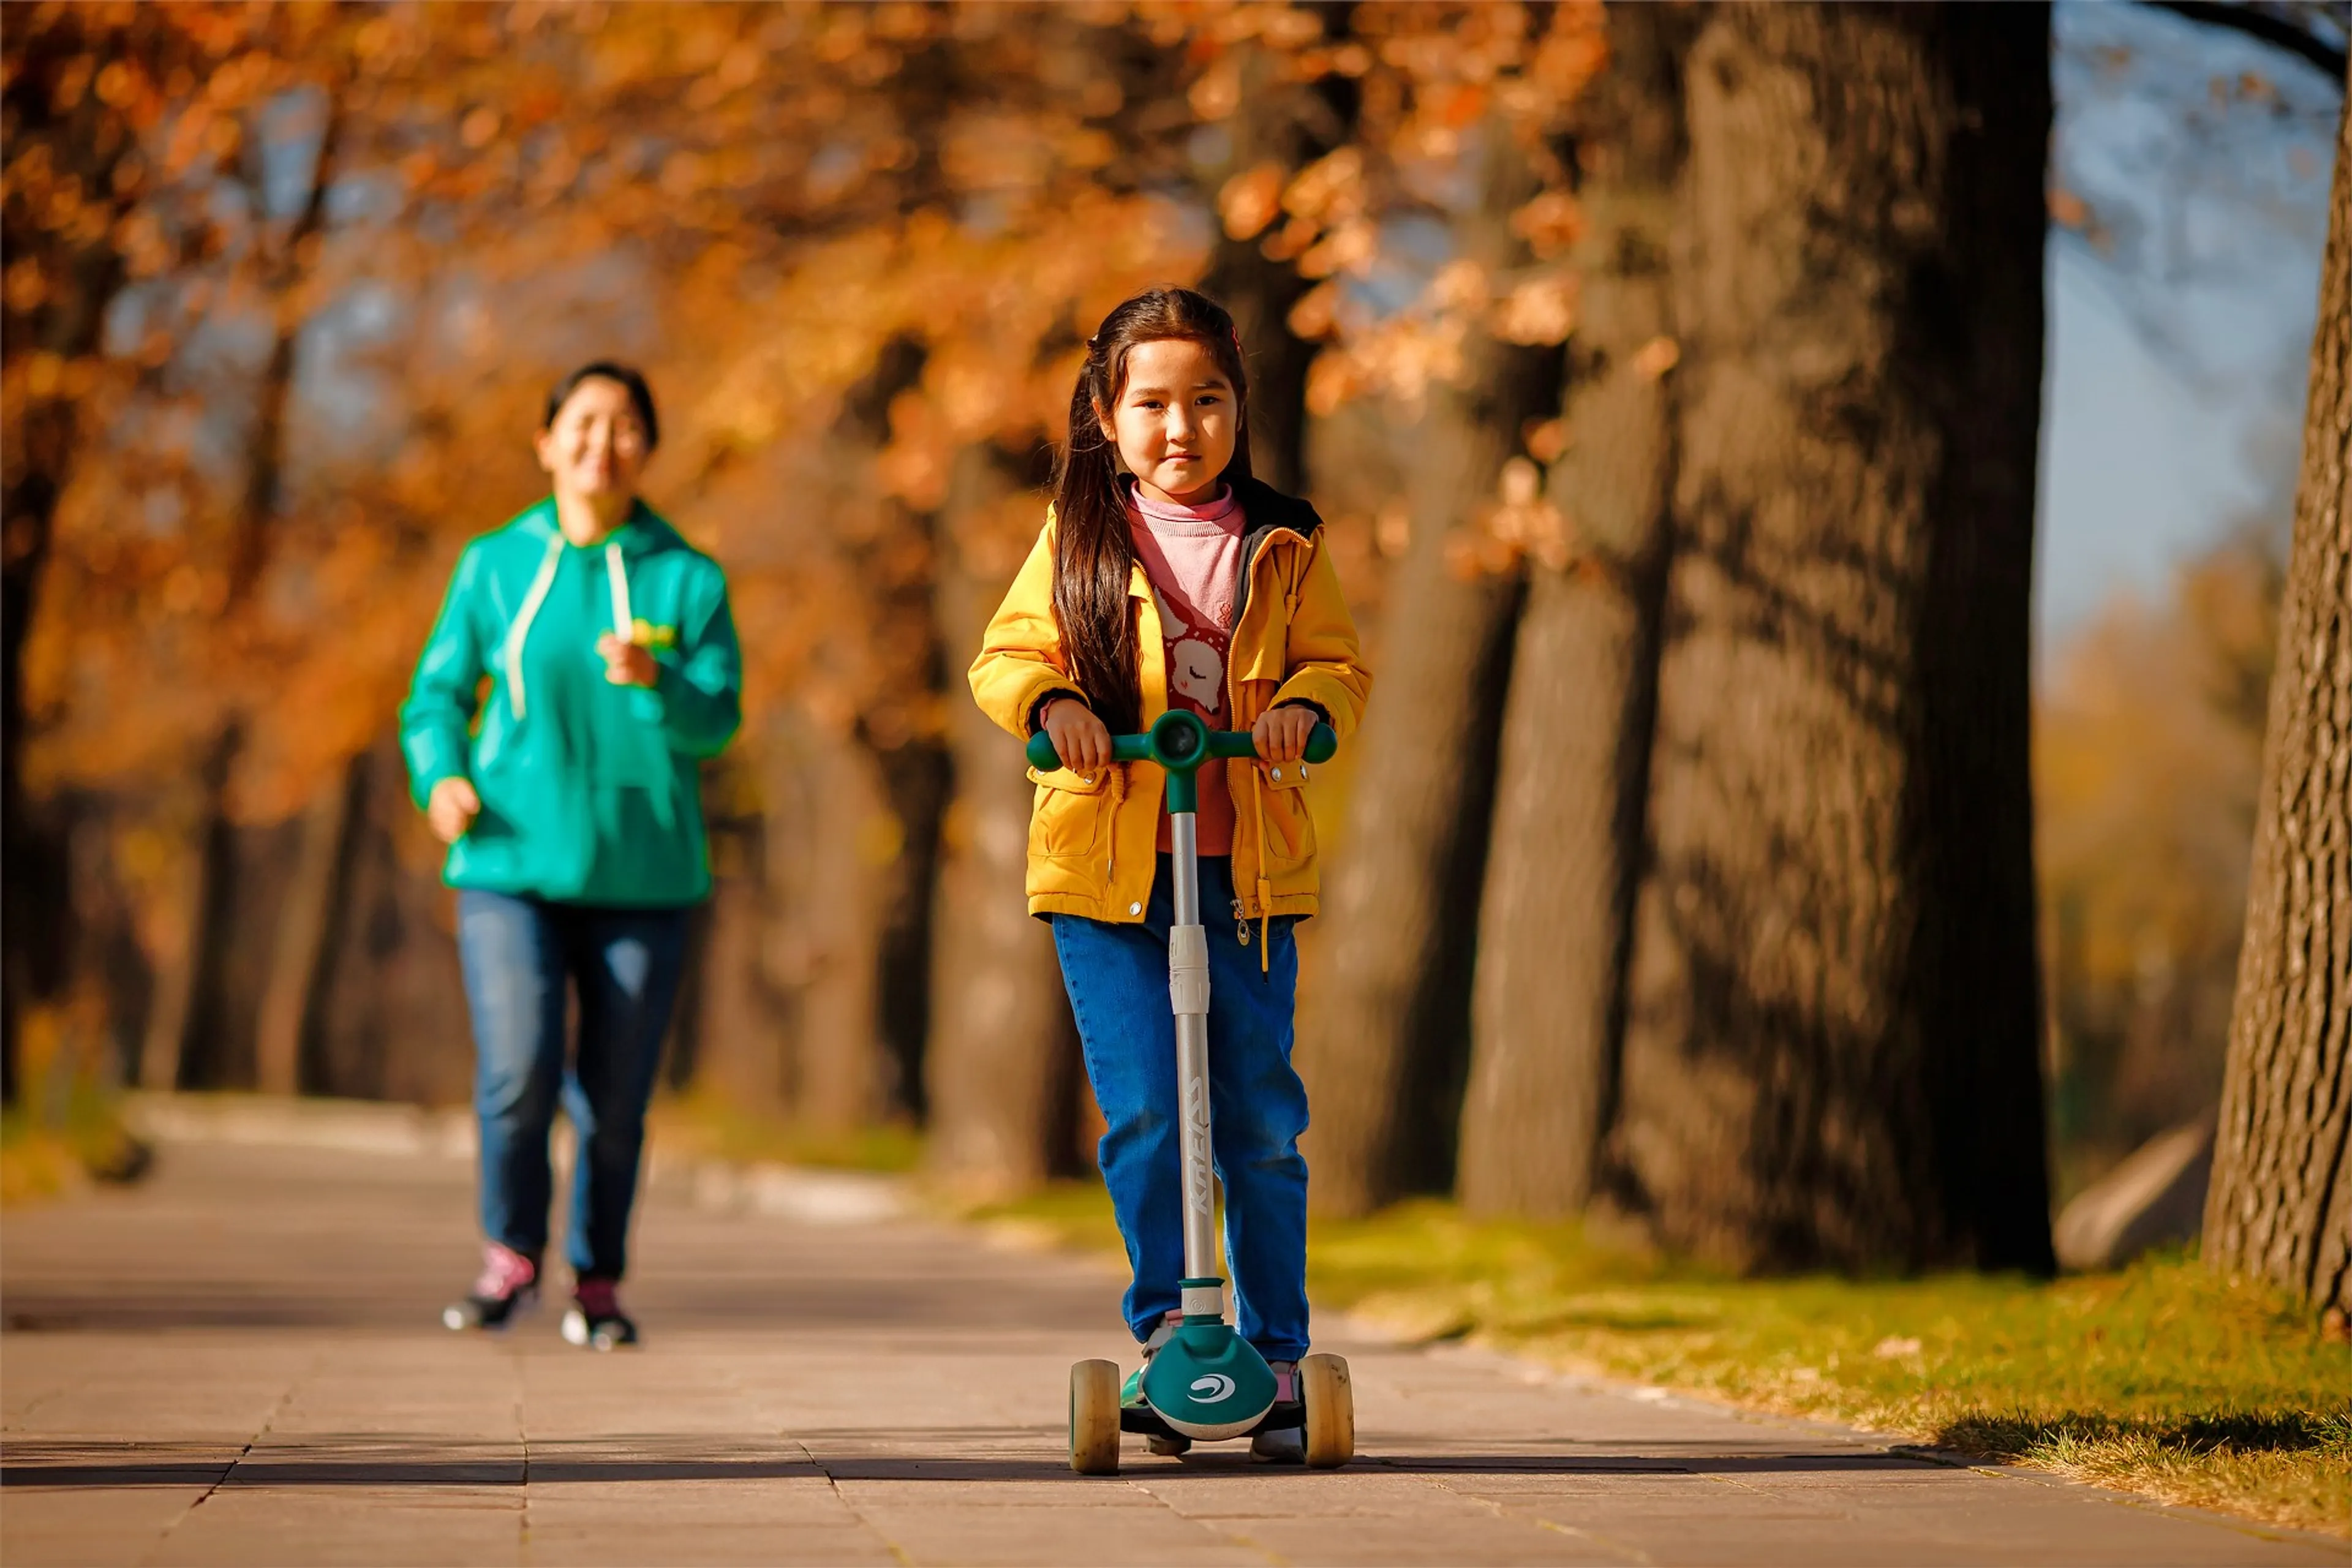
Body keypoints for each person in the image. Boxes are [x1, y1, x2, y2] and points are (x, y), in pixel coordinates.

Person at [968, 287, 1371, 1460]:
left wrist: (1304, 708)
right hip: (1109, 876)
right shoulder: (1079, 537)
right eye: (1151, 404)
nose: (1180, 427)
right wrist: (1054, 705)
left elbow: (1337, 664)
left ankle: (1280, 1352)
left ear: (1240, 409)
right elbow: (1008, 655)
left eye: (1207, 401)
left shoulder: (1285, 540)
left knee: (1259, 1120)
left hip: (1243, 877)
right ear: (1107, 416)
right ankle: (1165, 1334)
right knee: (1148, 1108)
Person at [399, 361, 741, 1349]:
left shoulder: (688, 577)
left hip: (645, 874)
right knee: (519, 1072)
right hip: (508, 863)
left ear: (649, 449)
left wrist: (660, 680)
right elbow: (434, 698)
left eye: (625, 425)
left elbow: (718, 719)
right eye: (584, 424)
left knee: (617, 1098)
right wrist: (441, 777)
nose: (603, 443)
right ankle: (510, 1258)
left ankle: (597, 1281)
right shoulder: (493, 565)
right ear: (546, 443)